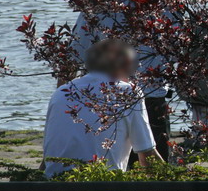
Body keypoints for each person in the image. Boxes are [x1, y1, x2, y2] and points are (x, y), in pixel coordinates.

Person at [43, 39, 163, 178]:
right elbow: (147, 156)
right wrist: (173, 184)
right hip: (103, 184)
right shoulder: (128, 92)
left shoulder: (61, 92)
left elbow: (48, 153)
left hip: (56, 182)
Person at [70, 10, 173, 164]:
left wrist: (67, 98)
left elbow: (72, 57)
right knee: (149, 167)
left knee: (111, 165)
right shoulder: (170, 8)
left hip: (107, 99)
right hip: (133, 98)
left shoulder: (98, 7)